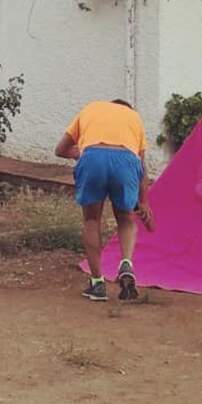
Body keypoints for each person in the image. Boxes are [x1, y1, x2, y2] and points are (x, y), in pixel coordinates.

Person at [54, 99, 154, 302]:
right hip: (126, 160)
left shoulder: (90, 109)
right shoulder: (134, 117)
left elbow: (60, 149)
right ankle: (126, 264)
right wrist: (144, 202)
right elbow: (142, 168)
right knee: (126, 219)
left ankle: (97, 284)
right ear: (127, 108)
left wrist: (83, 153)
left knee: (91, 220)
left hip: (93, 157)